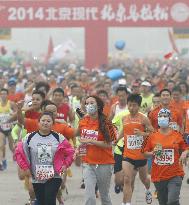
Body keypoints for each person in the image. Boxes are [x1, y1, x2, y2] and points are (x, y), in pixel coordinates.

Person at [14, 112, 74, 205]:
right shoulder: (29, 138)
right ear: (38, 123)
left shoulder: (58, 138)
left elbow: (70, 152)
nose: (45, 123)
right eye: (43, 120)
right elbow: (18, 153)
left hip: (55, 175)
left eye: (48, 121)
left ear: (52, 124)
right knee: (41, 201)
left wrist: (65, 165)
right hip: (37, 176)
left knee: (50, 199)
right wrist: (25, 168)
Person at [142, 108, 189, 205]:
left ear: (170, 119)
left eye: (165, 116)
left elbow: (186, 147)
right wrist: (152, 153)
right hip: (158, 175)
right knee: (163, 202)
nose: (162, 118)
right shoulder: (151, 136)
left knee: (172, 200)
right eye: (160, 116)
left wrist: (185, 153)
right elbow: (143, 152)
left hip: (175, 174)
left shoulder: (177, 135)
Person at [75, 95, 116, 205]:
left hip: (104, 164)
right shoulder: (83, 121)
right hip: (88, 163)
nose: (89, 105)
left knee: (104, 196)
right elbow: (76, 135)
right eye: (87, 104)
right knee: (89, 196)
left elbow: (109, 144)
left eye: (91, 103)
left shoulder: (106, 122)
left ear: (98, 106)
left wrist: (91, 141)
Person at [116, 94, 154, 205]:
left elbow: (154, 133)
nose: (132, 108)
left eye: (134, 105)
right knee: (127, 179)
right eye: (130, 105)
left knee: (144, 179)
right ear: (127, 105)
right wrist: (116, 140)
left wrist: (142, 133)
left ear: (139, 106)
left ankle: (148, 190)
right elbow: (124, 131)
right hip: (128, 155)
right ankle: (127, 203)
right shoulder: (124, 118)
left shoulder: (143, 118)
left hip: (141, 155)